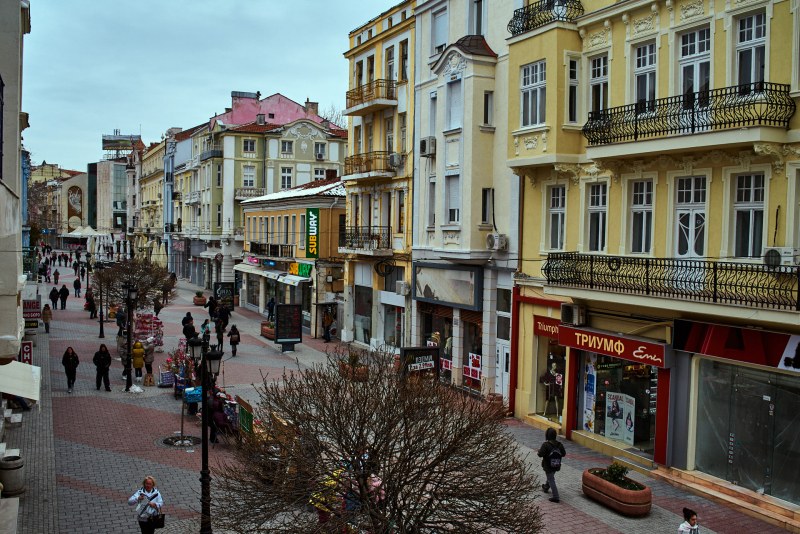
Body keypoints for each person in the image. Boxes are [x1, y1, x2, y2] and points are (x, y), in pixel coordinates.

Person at [538, 427, 566, 503]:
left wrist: (539, 451)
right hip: (556, 465)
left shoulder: (546, 445)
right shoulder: (559, 445)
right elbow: (564, 454)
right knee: (551, 476)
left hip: (548, 465)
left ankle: (556, 496)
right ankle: (546, 487)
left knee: (551, 479)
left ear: (547, 435)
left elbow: (540, 454)